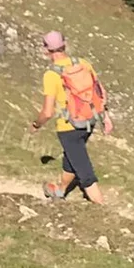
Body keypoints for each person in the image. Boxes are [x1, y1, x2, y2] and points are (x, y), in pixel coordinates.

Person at [30, 31, 111, 204]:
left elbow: (47, 112)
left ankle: (103, 210)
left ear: (46, 50)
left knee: (85, 173)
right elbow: (100, 91)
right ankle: (59, 190)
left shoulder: (51, 75)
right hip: (90, 121)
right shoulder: (82, 63)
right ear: (64, 44)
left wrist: (36, 125)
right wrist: (106, 117)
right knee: (72, 158)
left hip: (68, 128)